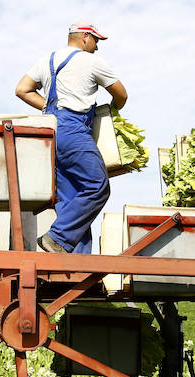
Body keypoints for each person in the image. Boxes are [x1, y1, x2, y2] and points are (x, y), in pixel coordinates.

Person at [15, 20, 128, 254]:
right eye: (96, 40)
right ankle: (56, 237)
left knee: (71, 203)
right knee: (98, 186)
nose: (97, 46)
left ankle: (76, 265)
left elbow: (22, 89)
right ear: (85, 37)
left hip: (51, 132)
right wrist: (111, 111)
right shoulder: (92, 61)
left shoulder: (46, 60)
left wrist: (48, 107)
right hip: (75, 130)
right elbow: (122, 95)